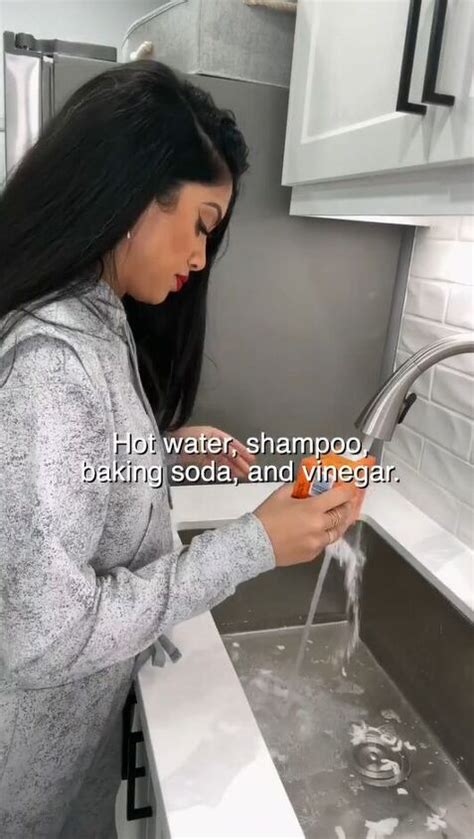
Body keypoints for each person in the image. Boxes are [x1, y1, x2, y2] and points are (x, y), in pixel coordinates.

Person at [0, 60, 361, 838]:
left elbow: (60, 482)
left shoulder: (93, 315)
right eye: (201, 223)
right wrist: (251, 544)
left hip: (62, 759)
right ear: (134, 190)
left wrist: (154, 453)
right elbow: (42, 636)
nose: (202, 258)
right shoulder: (50, 361)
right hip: (25, 785)